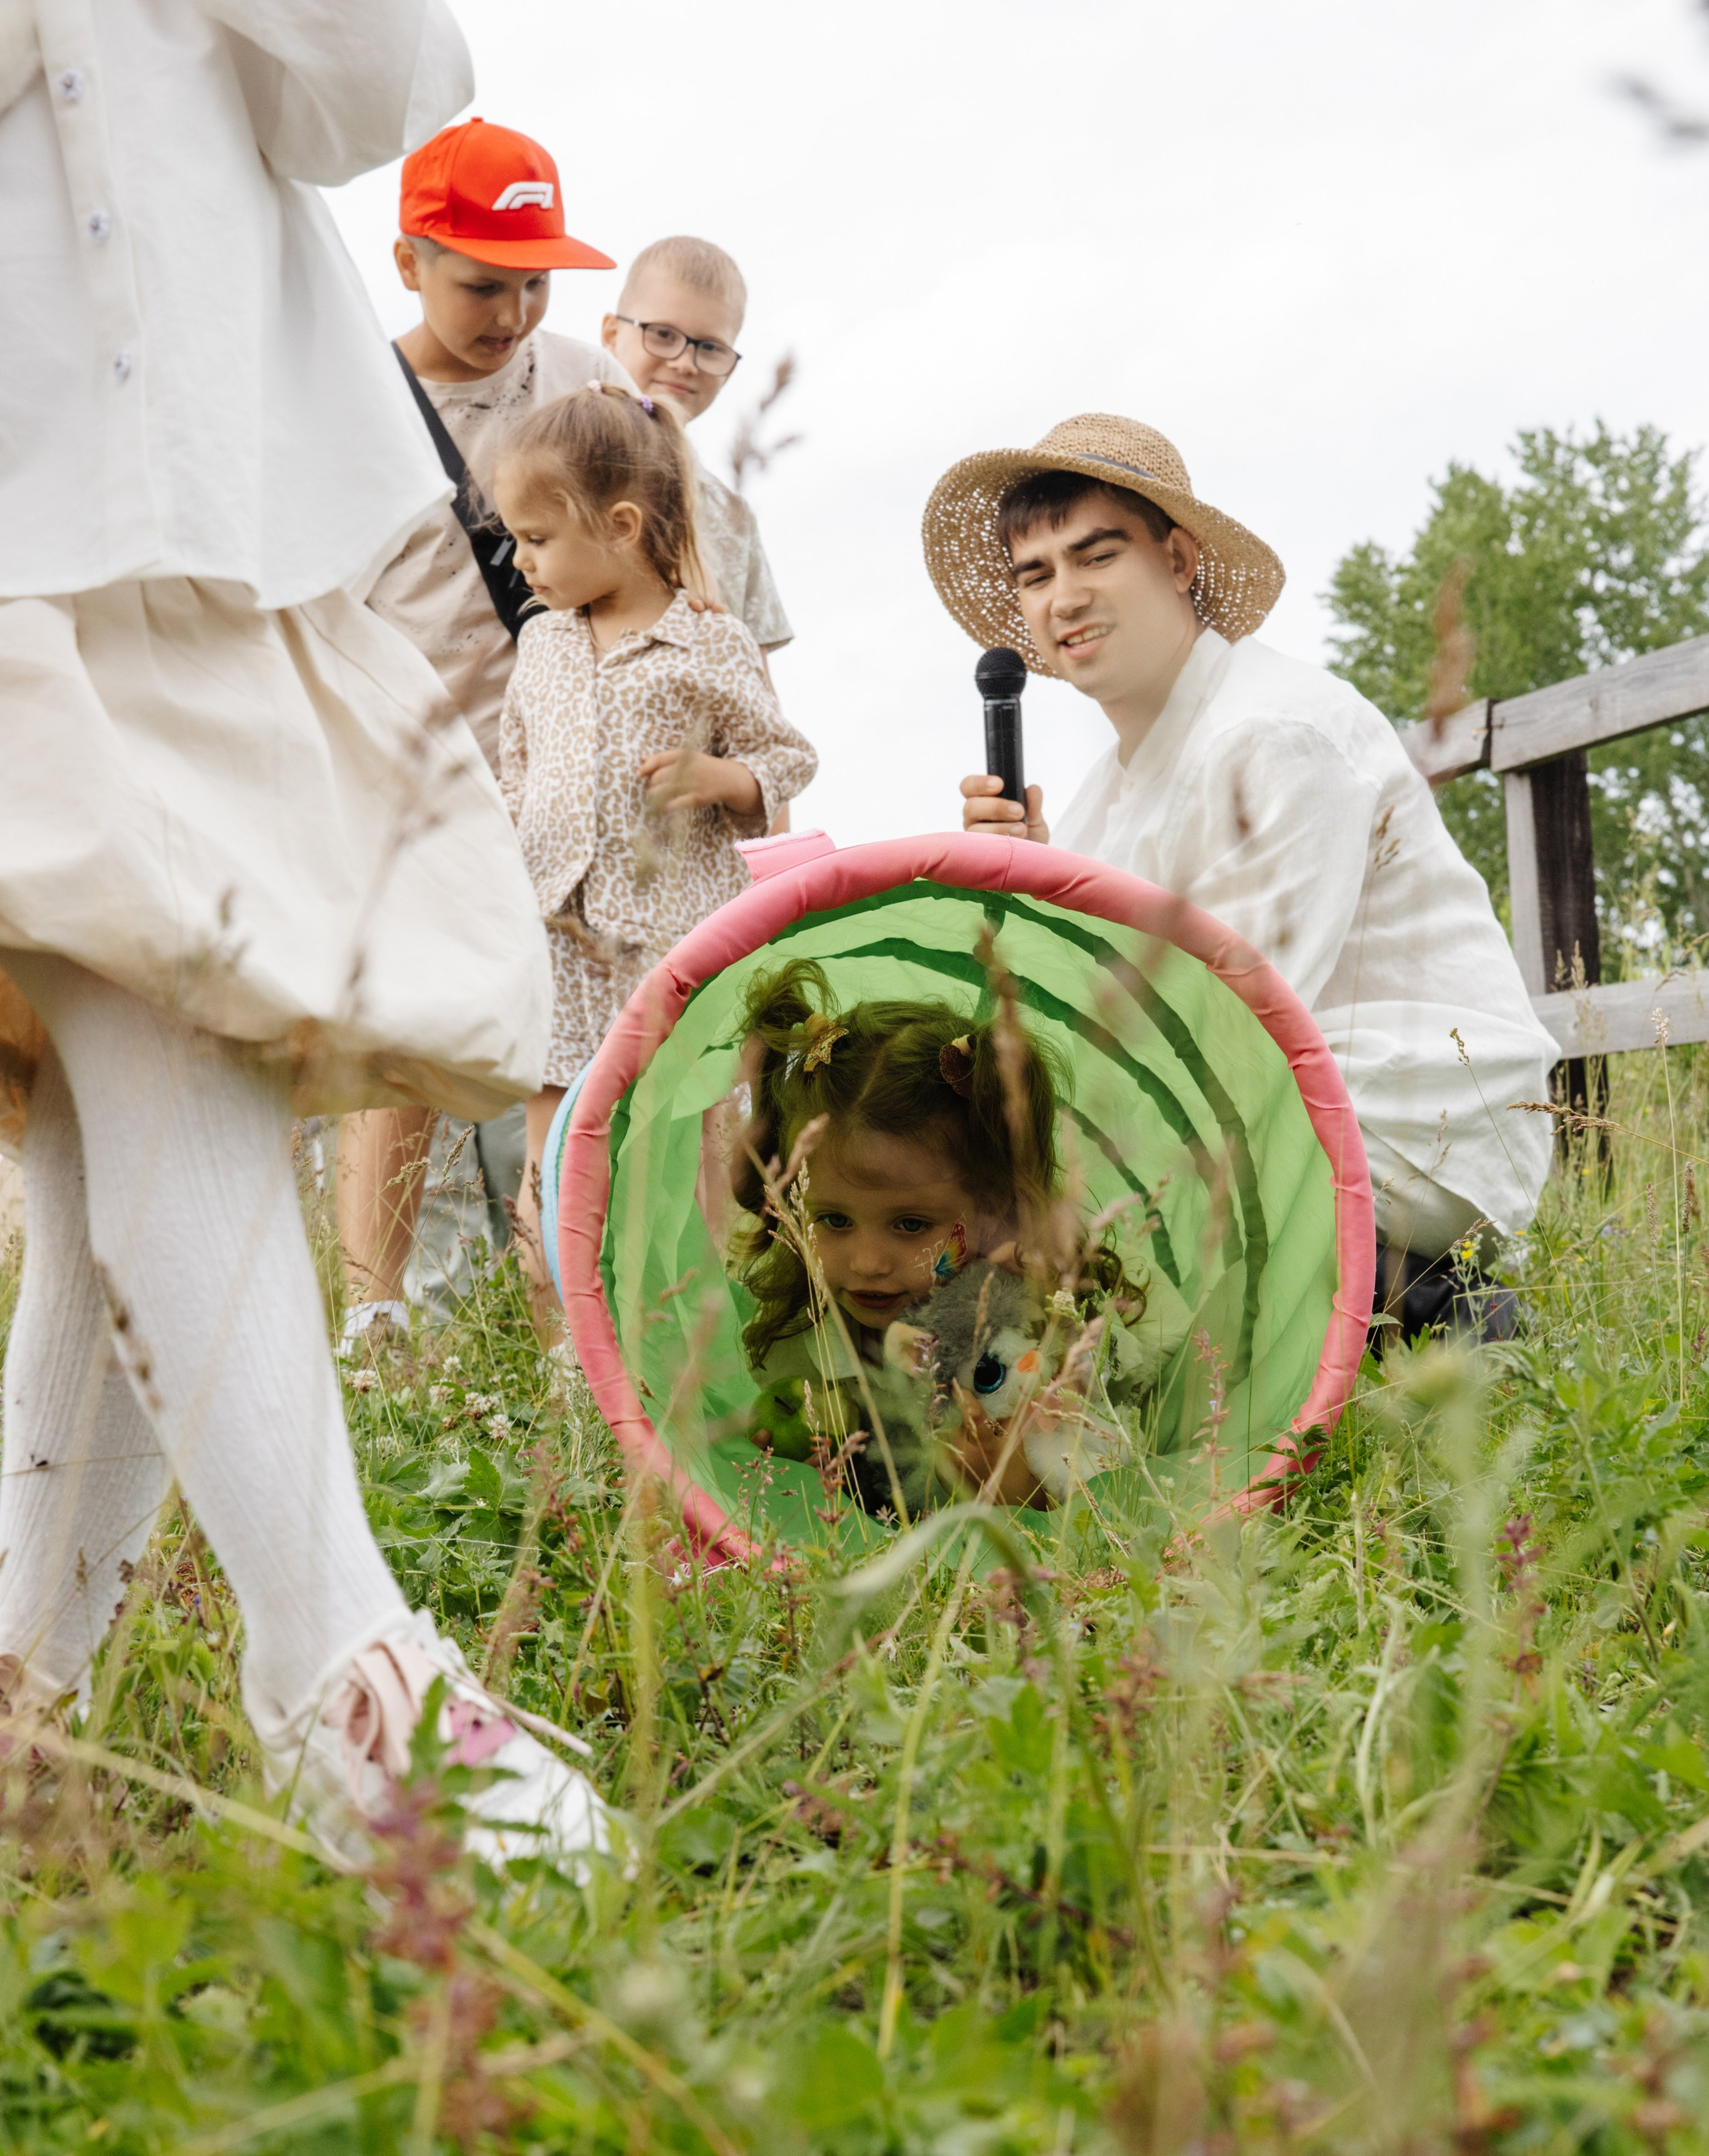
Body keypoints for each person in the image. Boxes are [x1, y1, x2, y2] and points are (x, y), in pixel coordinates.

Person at [0, 2, 606, 1871]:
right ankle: (337, 1665)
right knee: (157, 1031)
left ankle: (29, 1704)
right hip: (26, 489)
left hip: (211, 503)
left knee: (126, 1118)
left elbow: (376, 90)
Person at [928, 415, 1559, 1342]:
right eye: (1035, 574)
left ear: (1179, 561)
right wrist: (1029, 890)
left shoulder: (1274, 734)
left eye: (1096, 556)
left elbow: (1226, 1029)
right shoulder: (1110, 788)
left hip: (1414, 1124)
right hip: (1278, 1108)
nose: (1064, 597)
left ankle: (1432, 1309)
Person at [344, 116, 630, 1349]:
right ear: (408, 261)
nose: (511, 313)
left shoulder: (584, 381)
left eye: (532, 281)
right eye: (480, 284)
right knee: (402, 1058)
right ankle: (374, 1324)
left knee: (560, 1058)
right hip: (412, 784)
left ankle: (565, 1326)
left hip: (571, 781)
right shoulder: (341, 411)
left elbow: (672, 562)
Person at [494, 384, 816, 1339]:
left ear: (623, 525)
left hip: (673, 943)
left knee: (692, 1149)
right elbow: (517, 767)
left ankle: (702, 1348)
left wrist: (719, 777)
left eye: (539, 539)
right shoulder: (542, 644)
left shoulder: (706, 637)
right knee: (548, 1158)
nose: (522, 561)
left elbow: (788, 758)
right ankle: (564, 1365)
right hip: (560, 939)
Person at [727, 962, 1142, 1510]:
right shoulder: (804, 1331)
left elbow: (1116, 1477)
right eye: (833, 1220)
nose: (869, 1262)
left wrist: (1022, 1488)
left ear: (993, 1207)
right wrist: (821, 1478)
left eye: (910, 1225)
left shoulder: (1030, 1318)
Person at [602, 236, 795, 668]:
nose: (686, 362)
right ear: (611, 335)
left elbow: (753, 676)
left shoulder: (733, 516)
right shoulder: (557, 465)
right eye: (663, 334)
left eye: (710, 347)